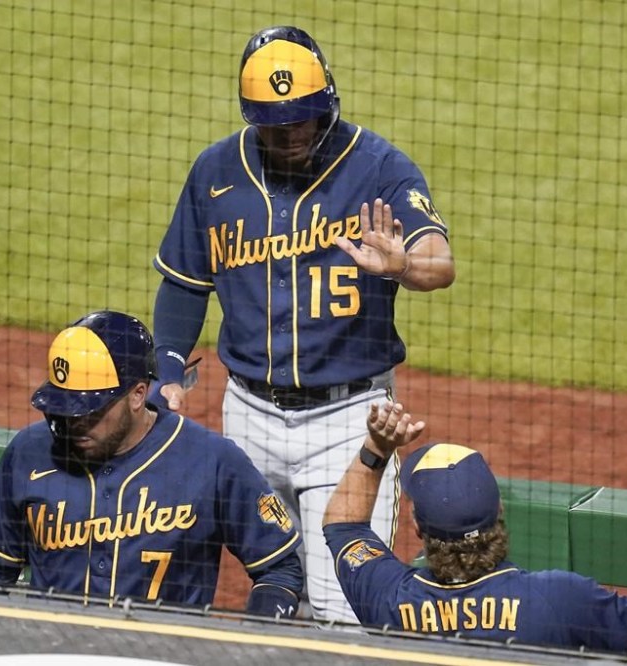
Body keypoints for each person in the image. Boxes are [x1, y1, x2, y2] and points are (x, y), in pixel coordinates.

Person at [150, 25, 455, 622]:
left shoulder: (377, 167)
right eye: (273, 124)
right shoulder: (215, 170)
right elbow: (185, 282)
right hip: (246, 419)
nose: (289, 134)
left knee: (343, 609)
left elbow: (440, 264)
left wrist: (403, 265)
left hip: (348, 423)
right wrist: (165, 368)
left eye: (301, 120)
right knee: (271, 590)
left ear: (328, 104)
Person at [0, 309, 303, 618]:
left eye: (89, 412)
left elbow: (279, 567)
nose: (73, 424)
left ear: (138, 394)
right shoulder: (29, 452)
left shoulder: (211, 461)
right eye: (63, 410)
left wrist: (258, 634)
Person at [323, 401, 627, 654]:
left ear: (419, 528)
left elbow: (343, 525)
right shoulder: (561, 600)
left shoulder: (390, 598)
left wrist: (377, 447)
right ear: (499, 511)